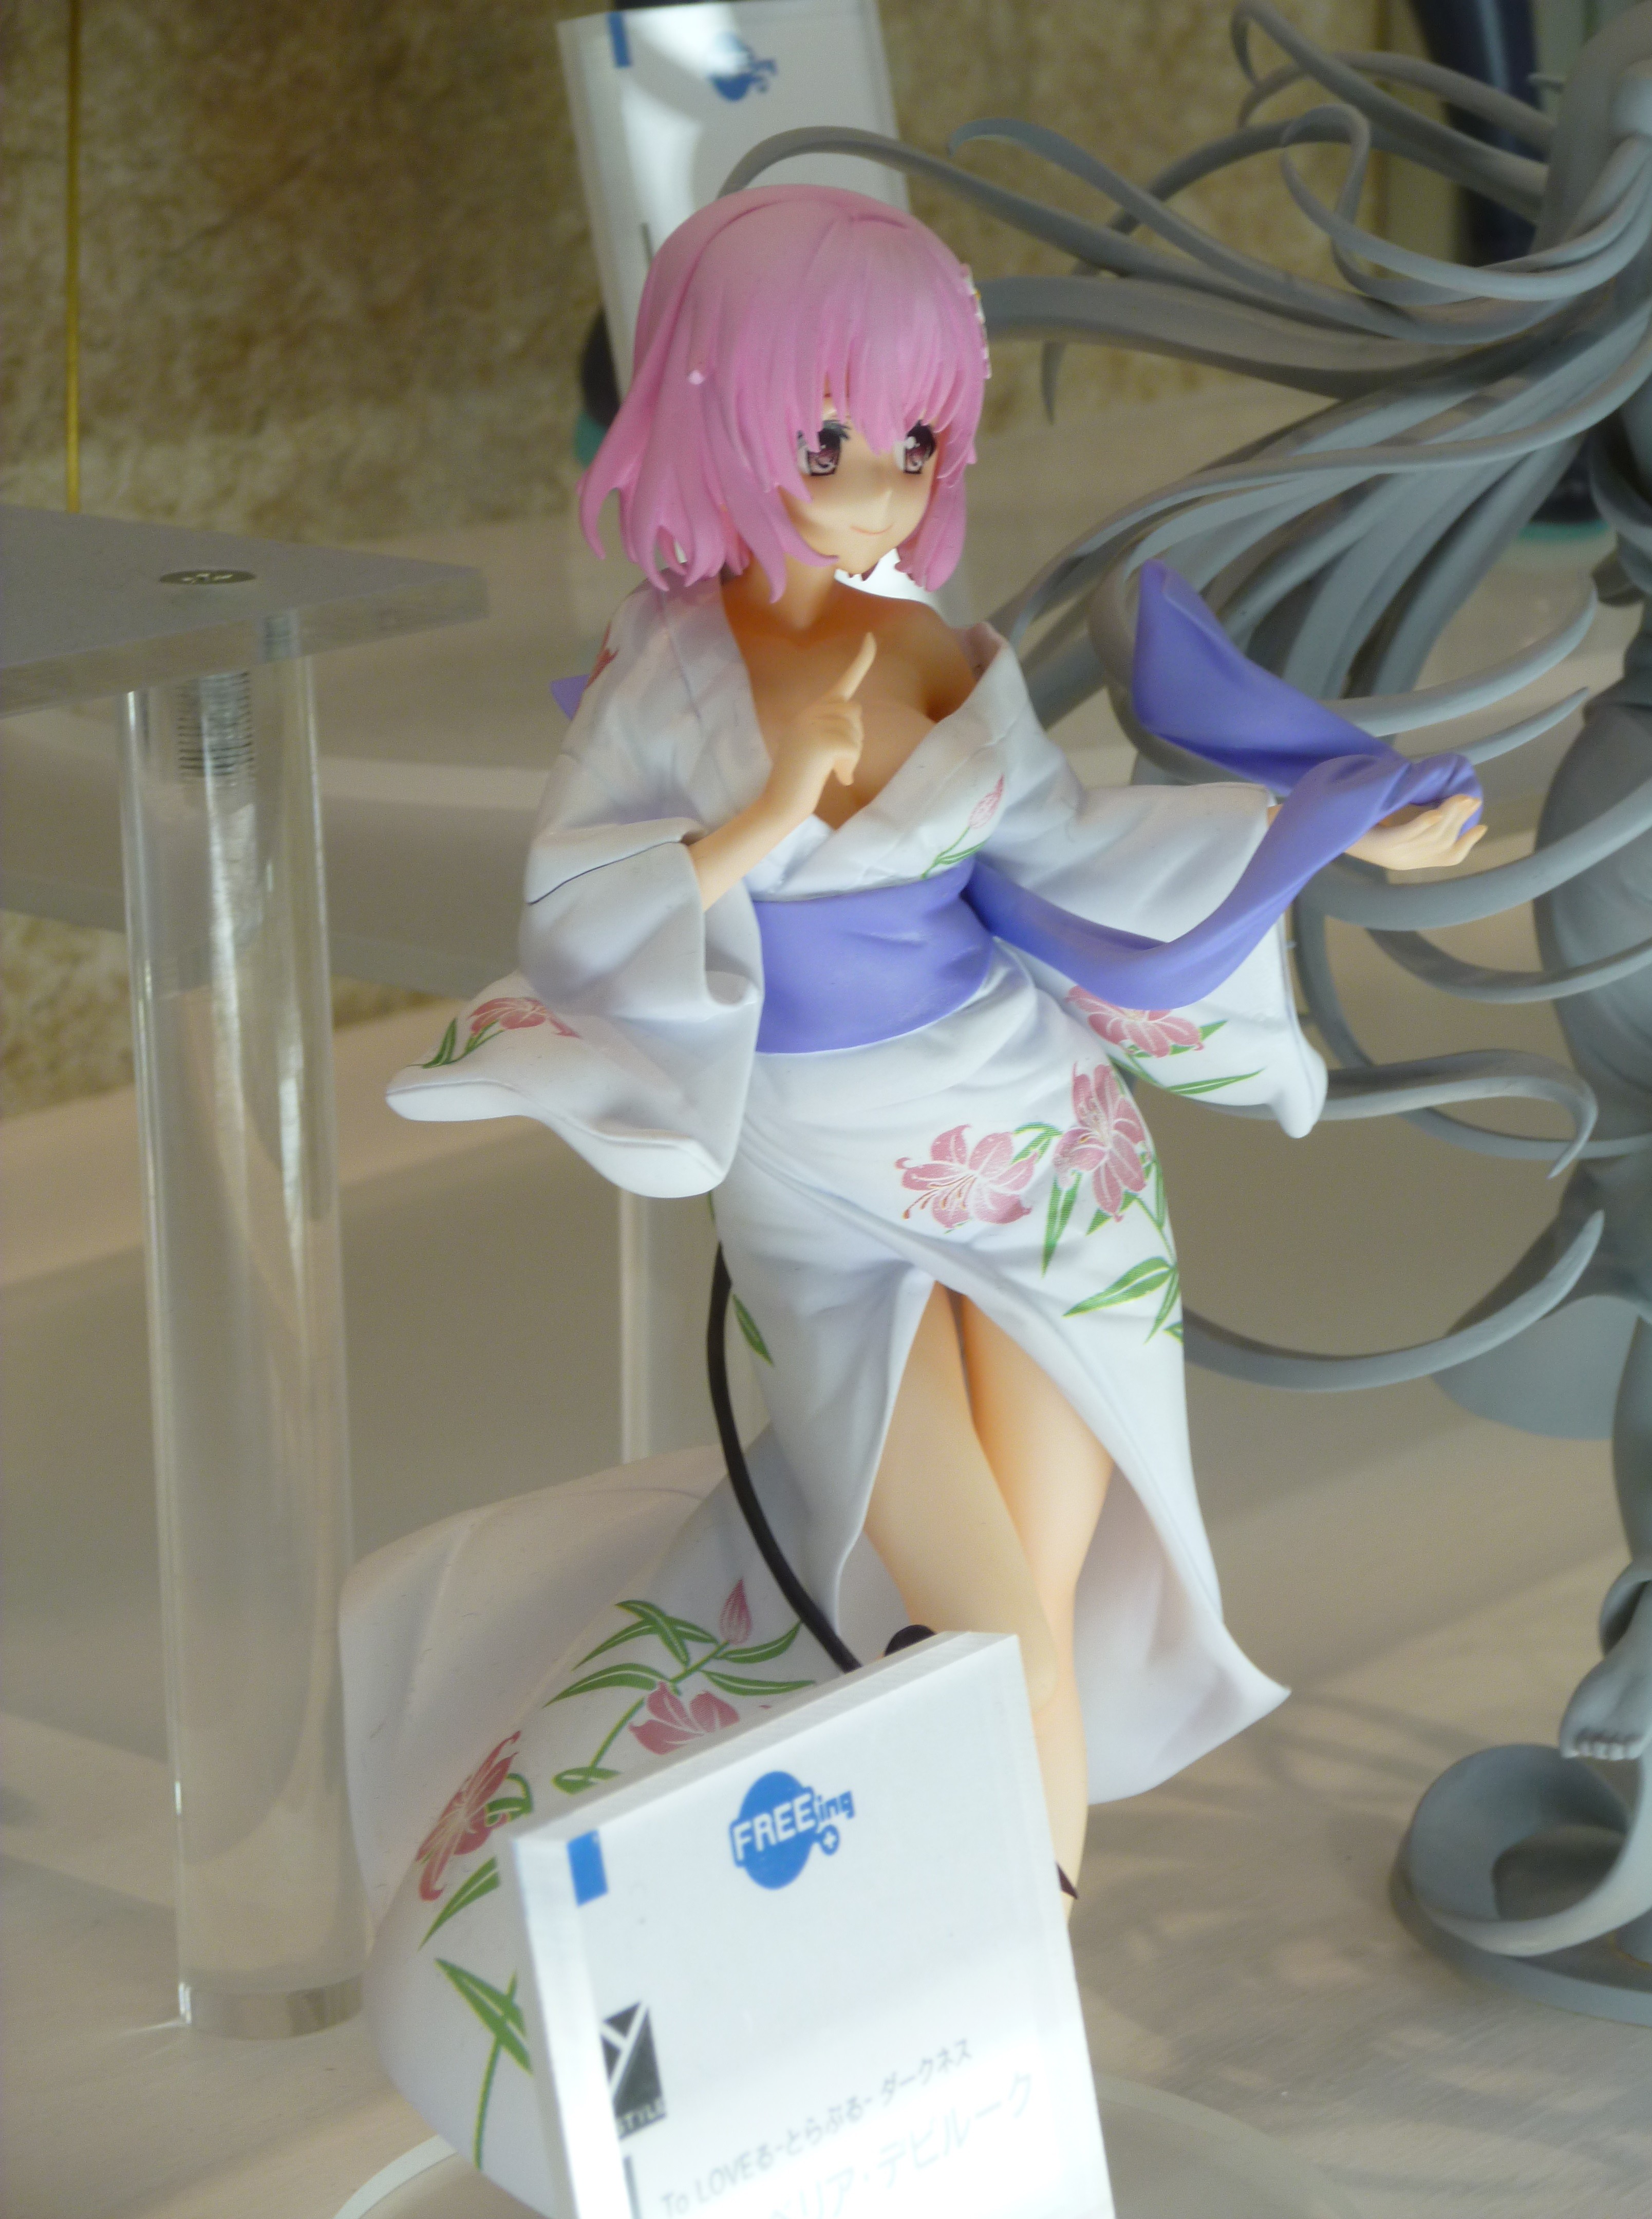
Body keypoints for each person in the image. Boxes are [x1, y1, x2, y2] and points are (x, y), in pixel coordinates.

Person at [389, 182, 1485, 1890]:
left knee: (1030, 1614)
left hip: (1038, 1148)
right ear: (718, 408)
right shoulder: (661, 677)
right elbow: (577, 918)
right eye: (826, 437)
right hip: (820, 1179)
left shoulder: (933, 649)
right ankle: (967, 1995)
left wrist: (1328, 836)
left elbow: (1080, 859)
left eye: (911, 439)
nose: (878, 485)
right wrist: (765, 817)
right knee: (989, 1635)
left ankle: (1013, 2004)